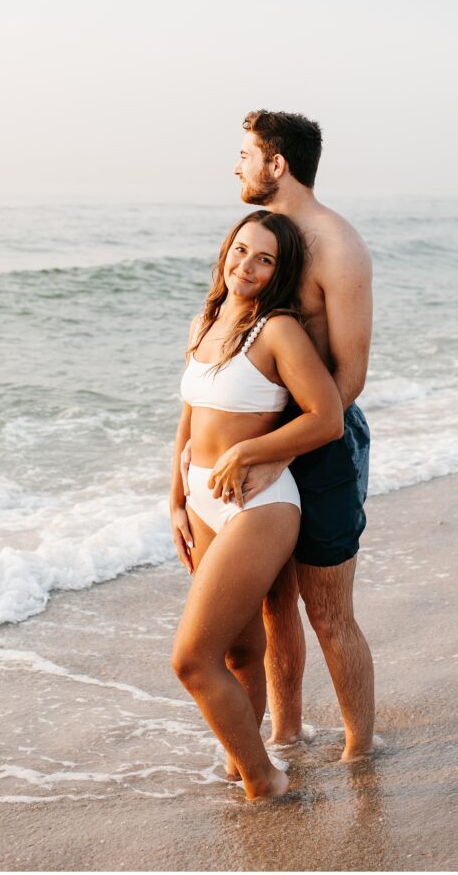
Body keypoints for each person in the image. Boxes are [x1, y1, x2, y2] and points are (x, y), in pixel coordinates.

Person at [182, 110, 374, 760]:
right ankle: (285, 735)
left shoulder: (335, 243)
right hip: (266, 441)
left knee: (327, 613)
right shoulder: (269, 239)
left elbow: (347, 379)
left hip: (316, 446)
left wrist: (273, 450)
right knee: (270, 607)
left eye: (245, 154)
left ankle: (358, 754)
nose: (236, 166)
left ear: (277, 165)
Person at [169, 209, 344, 800]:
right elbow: (189, 417)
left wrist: (249, 452)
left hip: (260, 505)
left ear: (278, 271)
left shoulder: (278, 332)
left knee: (192, 659)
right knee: (242, 650)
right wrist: (175, 498)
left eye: (264, 258)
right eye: (240, 250)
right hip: (201, 501)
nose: (246, 265)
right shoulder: (206, 319)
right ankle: (246, 755)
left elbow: (328, 418)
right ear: (227, 250)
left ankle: (264, 780)